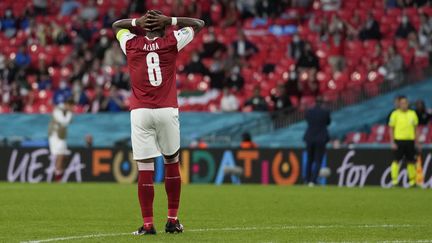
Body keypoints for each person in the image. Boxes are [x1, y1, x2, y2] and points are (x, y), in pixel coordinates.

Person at [112, 10, 204, 235]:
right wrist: (171, 21)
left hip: (141, 112)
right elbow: (199, 23)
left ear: (144, 27)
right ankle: (172, 221)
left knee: (145, 167)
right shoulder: (171, 41)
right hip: (166, 110)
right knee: (172, 162)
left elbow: (116, 25)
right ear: (163, 27)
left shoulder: (131, 44)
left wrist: (136, 22)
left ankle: (147, 224)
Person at [388, 96, 419, 187]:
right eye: (402, 103)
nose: (404, 105)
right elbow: (391, 128)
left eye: (405, 103)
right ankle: (394, 181)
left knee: (411, 161)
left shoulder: (412, 114)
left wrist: (417, 142)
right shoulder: (395, 114)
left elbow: (416, 129)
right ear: (399, 104)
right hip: (399, 141)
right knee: (396, 160)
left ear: (408, 104)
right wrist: (392, 141)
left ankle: (412, 182)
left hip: (410, 141)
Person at [303, 97, 331, 186]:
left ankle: (307, 179)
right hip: (320, 138)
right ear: (322, 103)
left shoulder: (309, 112)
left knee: (309, 160)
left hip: (310, 138)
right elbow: (328, 122)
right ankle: (313, 180)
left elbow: (307, 120)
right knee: (318, 160)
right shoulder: (325, 112)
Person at [48, 99, 74, 182]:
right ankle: (58, 176)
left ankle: (58, 174)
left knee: (63, 155)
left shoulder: (65, 111)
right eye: (71, 106)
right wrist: (70, 113)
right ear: (66, 104)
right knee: (60, 154)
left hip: (61, 136)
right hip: (55, 135)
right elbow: (64, 122)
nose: (72, 108)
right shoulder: (58, 110)